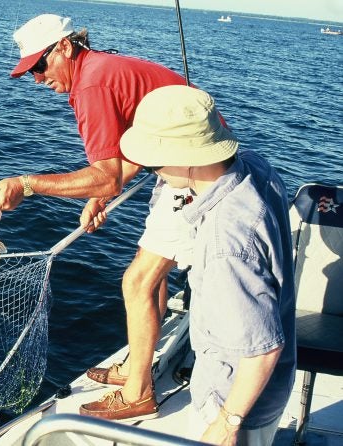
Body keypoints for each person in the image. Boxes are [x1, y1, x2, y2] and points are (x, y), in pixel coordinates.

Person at [0, 13, 199, 420]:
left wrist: (27, 184)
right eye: (29, 71)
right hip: (180, 164)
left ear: (64, 47)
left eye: (39, 66)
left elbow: (106, 177)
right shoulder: (101, 69)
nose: (37, 79)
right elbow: (137, 148)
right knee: (148, 271)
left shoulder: (91, 85)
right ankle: (140, 363)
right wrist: (106, 188)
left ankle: (139, 392)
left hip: (194, 175)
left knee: (137, 281)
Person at [116, 85, 296, 445]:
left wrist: (226, 423)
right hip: (274, 386)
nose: (153, 173)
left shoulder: (225, 243)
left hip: (233, 400)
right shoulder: (255, 167)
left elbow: (262, 349)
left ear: (188, 156)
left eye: (154, 162)